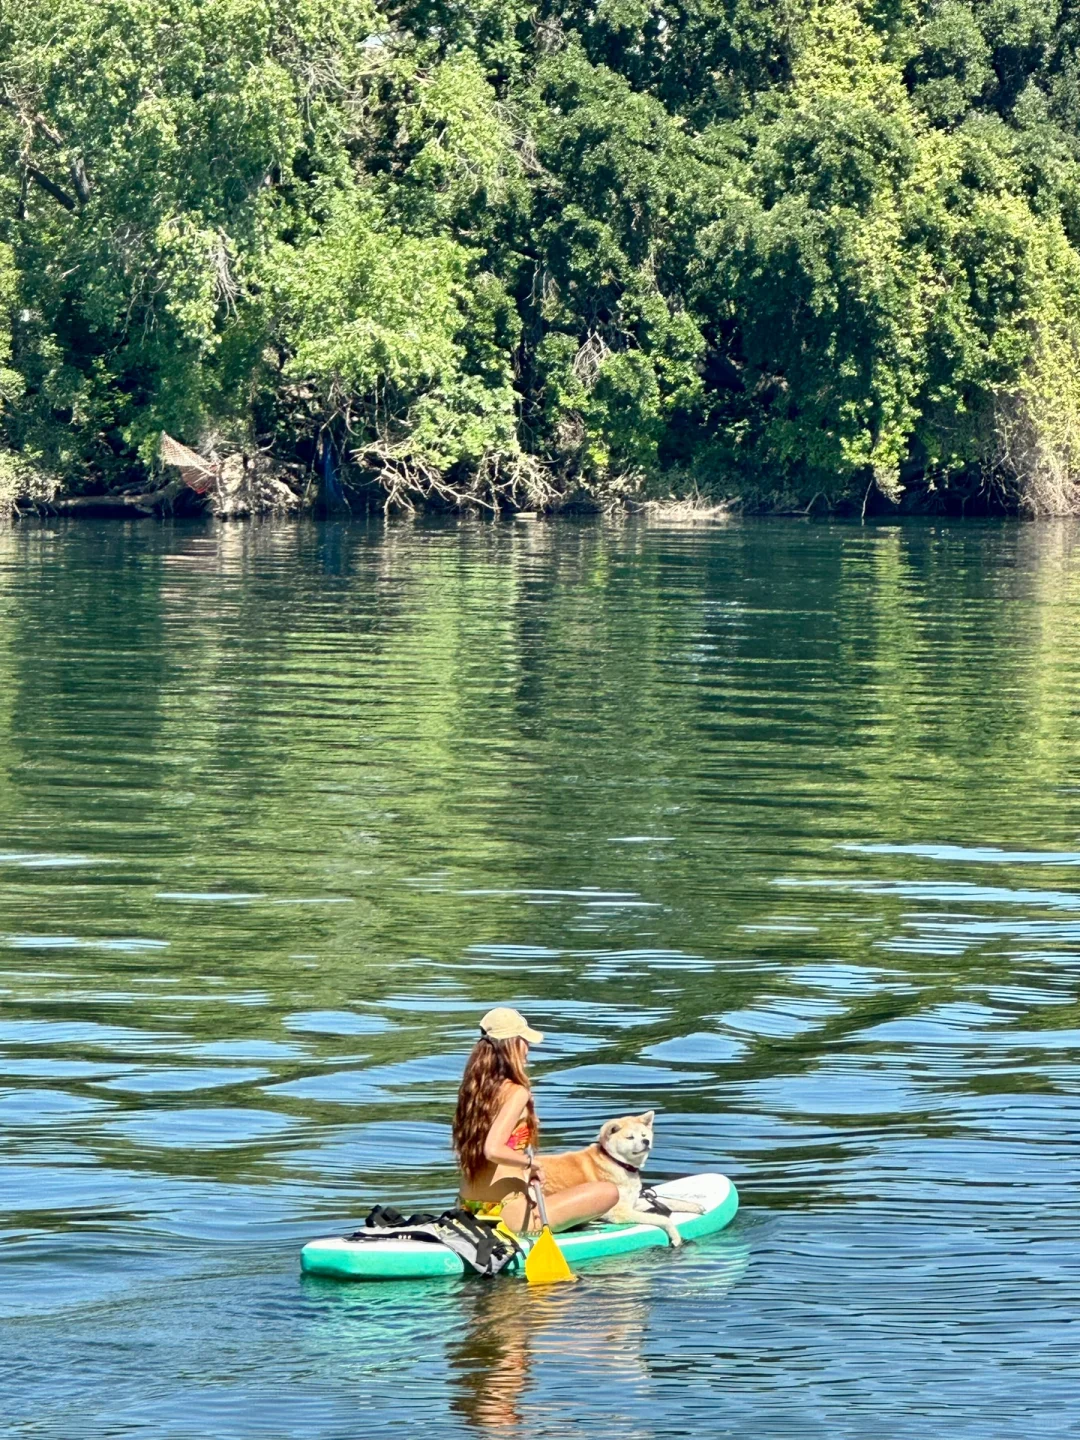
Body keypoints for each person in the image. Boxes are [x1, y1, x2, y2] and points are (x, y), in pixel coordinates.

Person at [453, 1006, 618, 1236]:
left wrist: (523, 1170)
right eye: (524, 1040)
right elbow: (492, 1149)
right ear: (512, 1044)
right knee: (608, 1191)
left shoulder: (473, 1092)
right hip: (507, 1213)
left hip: (467, 1209)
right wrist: (531, 1164)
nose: (528, 1048)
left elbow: (490, 1154)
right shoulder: (516, 1093)